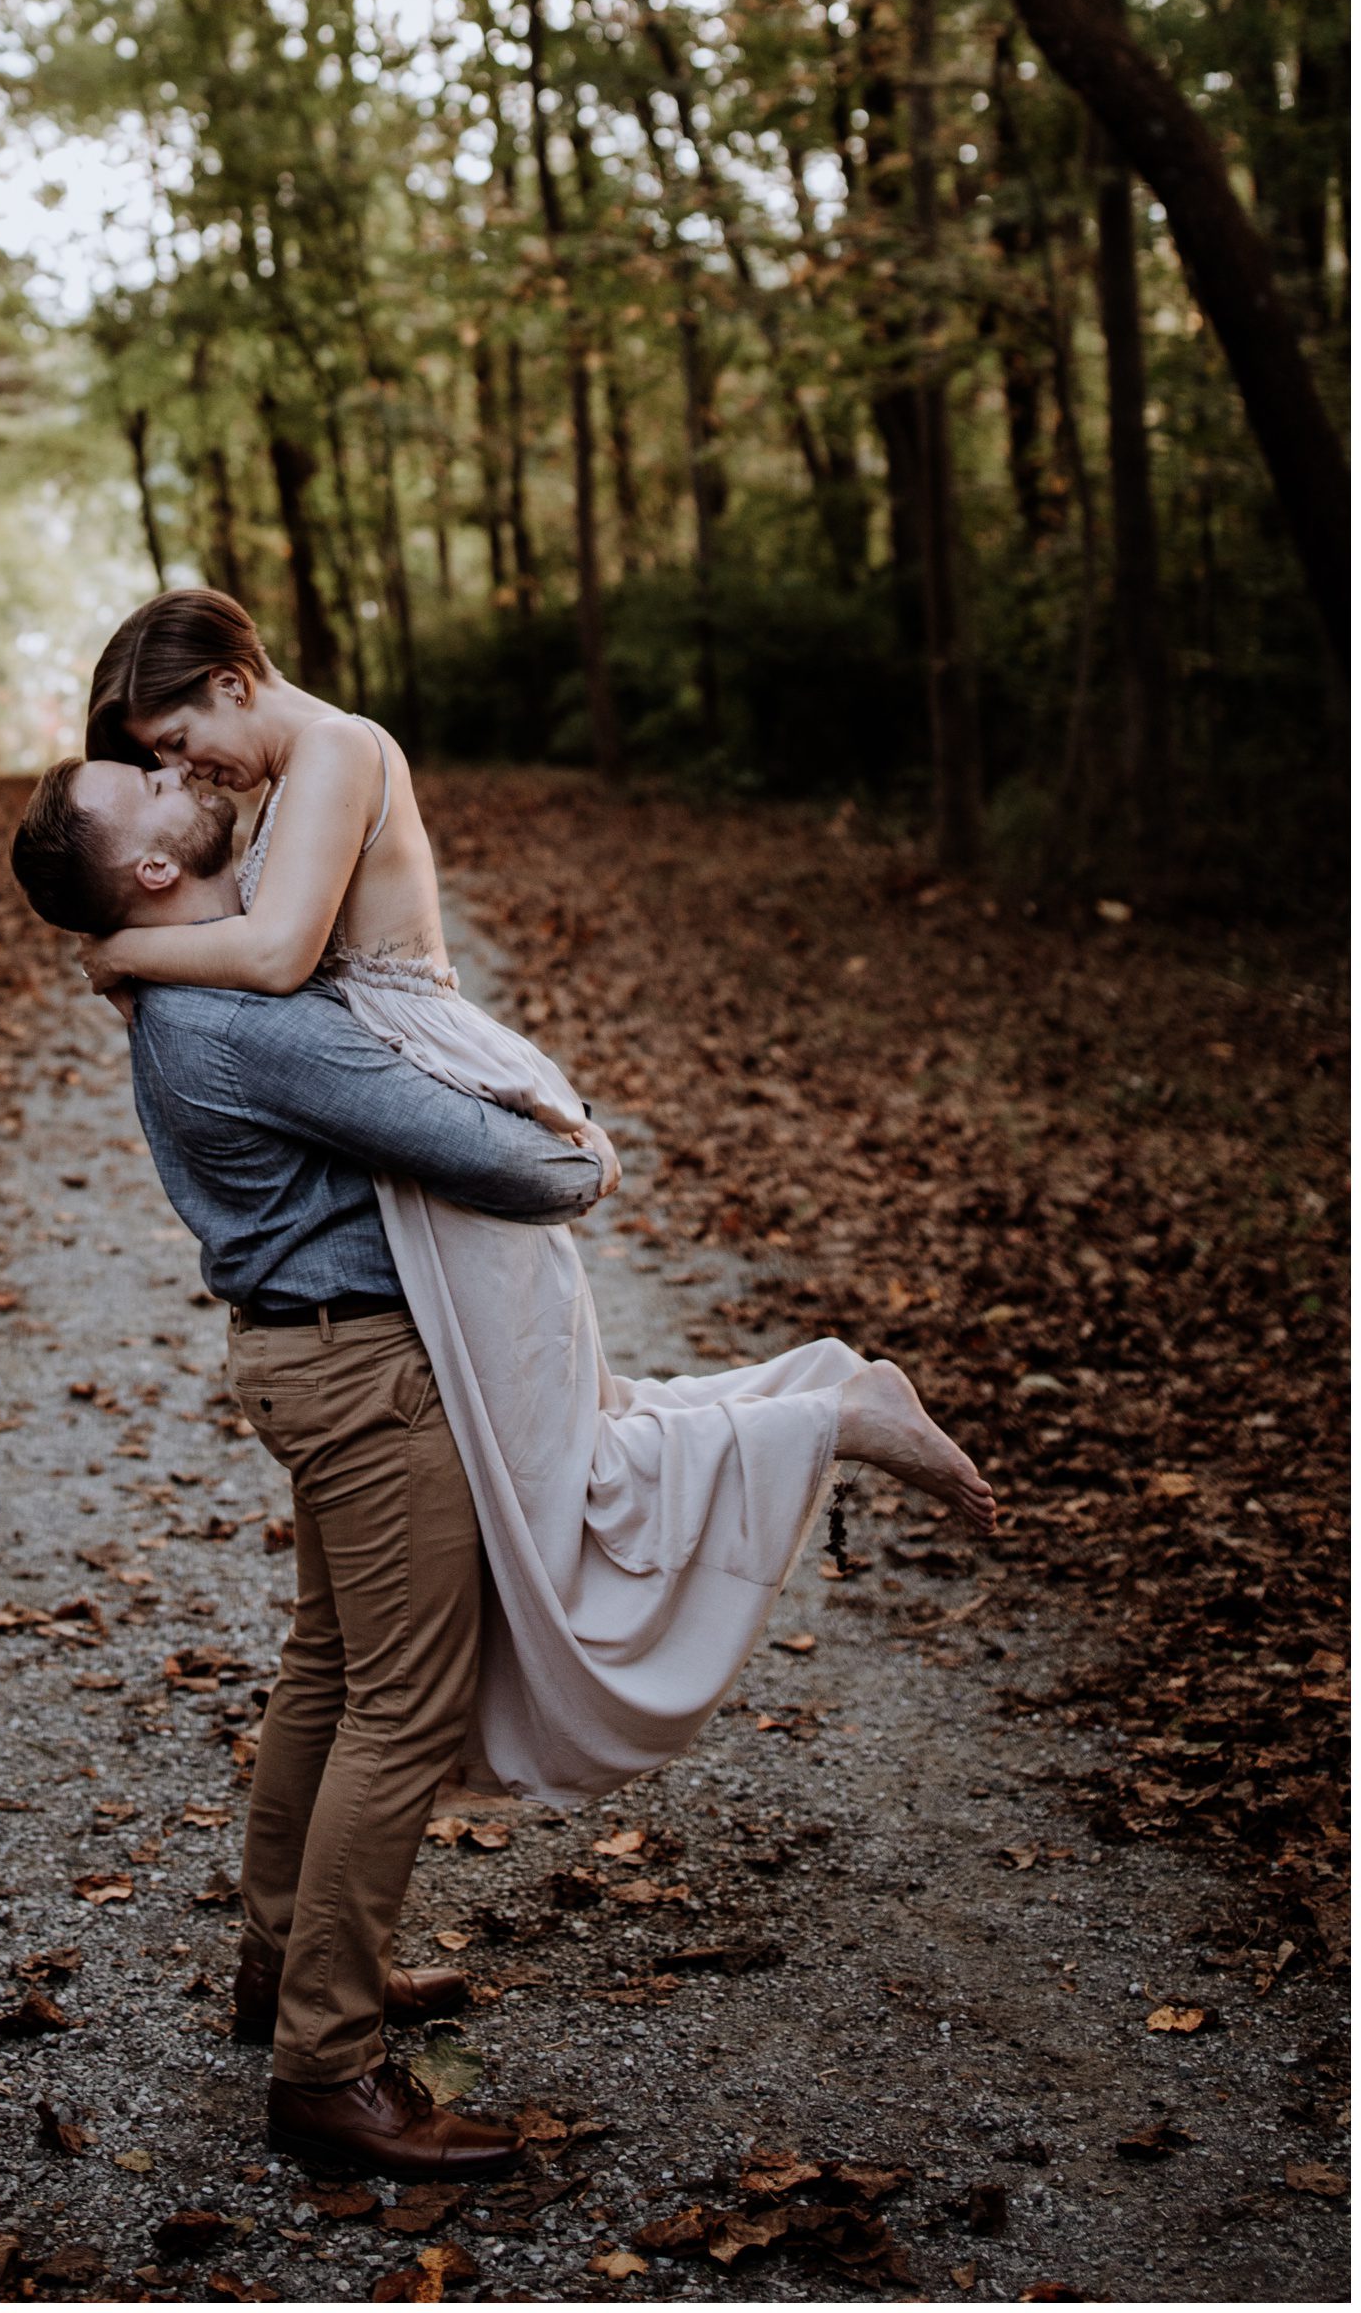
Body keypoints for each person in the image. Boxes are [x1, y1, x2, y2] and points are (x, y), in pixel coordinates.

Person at [66, 587, 996, 1818]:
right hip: (391, 1122)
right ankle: (817, 1406)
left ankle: (831, 1417)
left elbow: (281, 957)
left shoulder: (337, 746)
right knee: (557, 1441)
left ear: (233, 681)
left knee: (565, 1468)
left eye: (176, 740)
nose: (180, 769)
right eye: (155, 763)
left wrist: (122, 955)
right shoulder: (280, 788)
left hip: (432, 1090)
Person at [10, 750, 619, 2182]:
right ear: (155, 871)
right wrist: (583, 1154)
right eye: (143, 782)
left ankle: (284, 1968)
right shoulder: (238, 1013)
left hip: (311, 1358)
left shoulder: (178, 982)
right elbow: (516, 1167)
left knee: (336, 1671)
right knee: (403, 1711)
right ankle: (329, 2068)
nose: (175, 770)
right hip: (367, 1376)